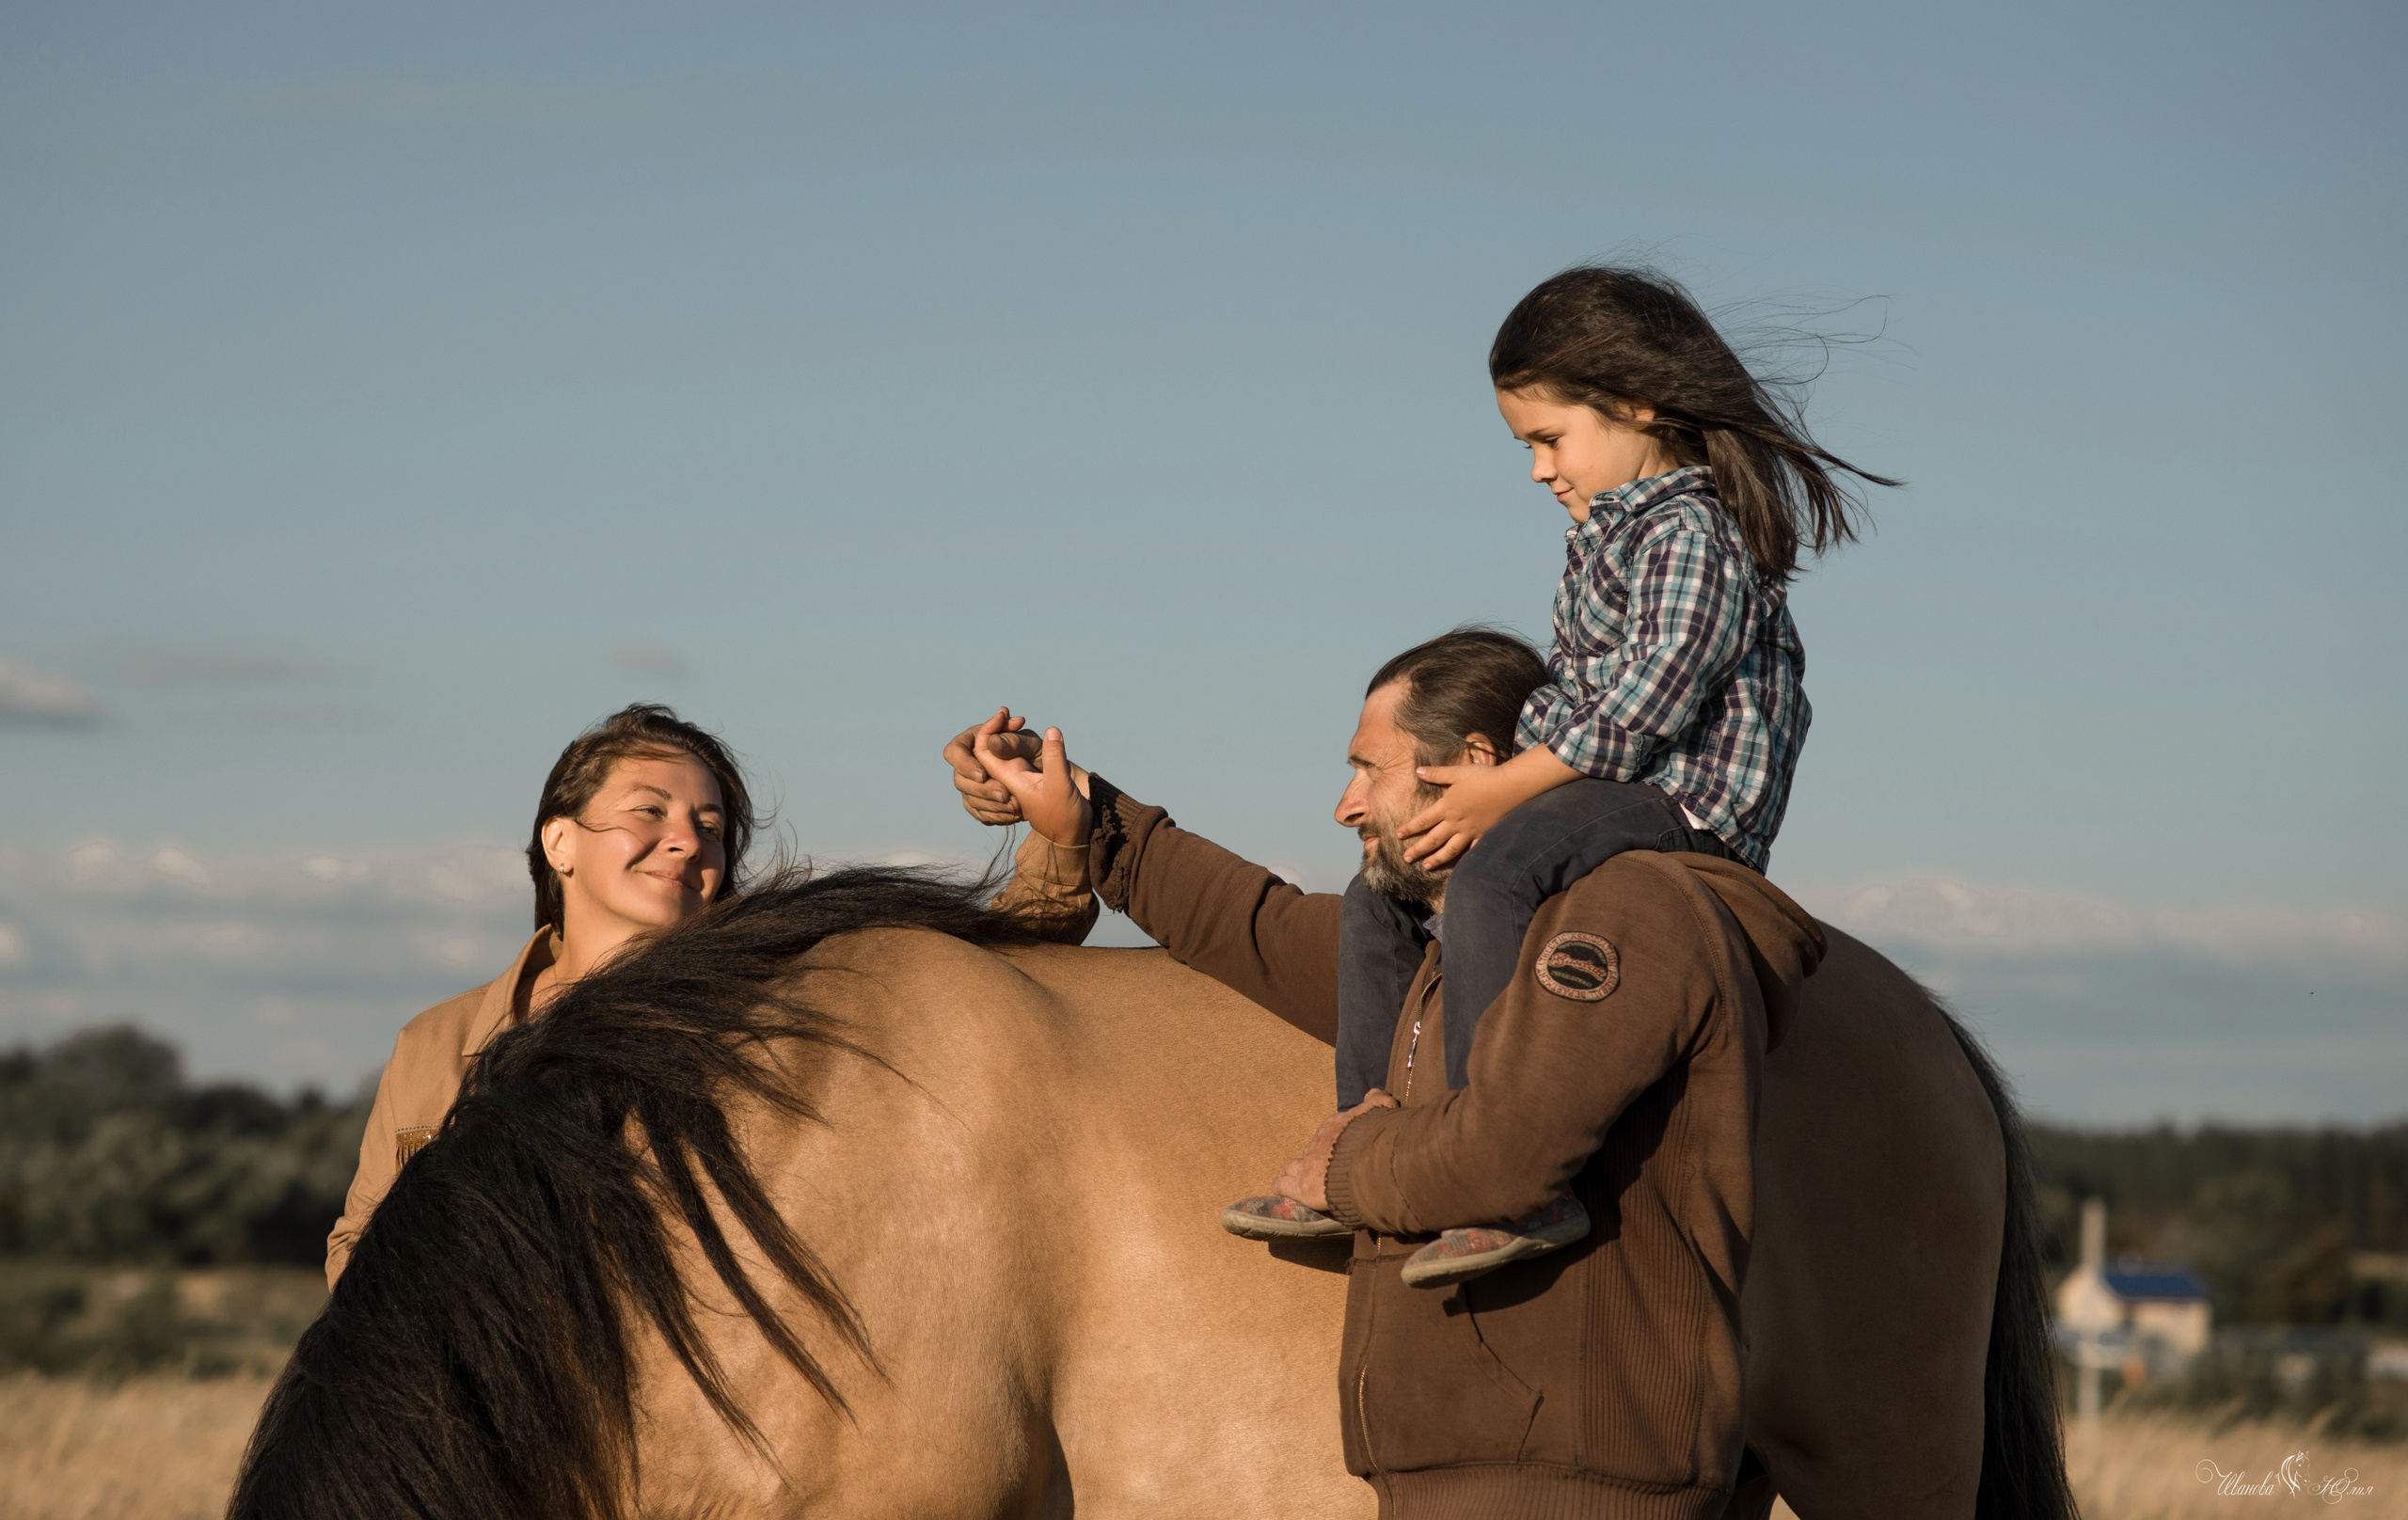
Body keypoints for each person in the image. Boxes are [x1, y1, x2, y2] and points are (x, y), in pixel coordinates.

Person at [940, 633, 1825, 1516]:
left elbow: (1508, 1157)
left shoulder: (1620, 922)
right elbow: (1249, 923)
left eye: (1371, 769)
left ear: (1474, 762)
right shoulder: (1423, 958)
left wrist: (1343, 1164)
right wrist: (1085, 818)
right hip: (1451, 1469)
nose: (1345, 806)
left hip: (1574, 1476)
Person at [1274, 265, 1897, 1282]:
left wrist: (1503, 789)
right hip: (1594, 785)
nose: (1536, 470)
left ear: (1638, 404)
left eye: (1547, 439)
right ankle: (1372, 1122)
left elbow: (1649, 698)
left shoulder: (1695, 532)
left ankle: (1502, 1158)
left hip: (1682, 799)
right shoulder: (1600, 537)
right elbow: (1570, 697)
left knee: (1494, 875)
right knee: (1376, 901)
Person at [325, 703, 1093, 1287]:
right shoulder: (437, 1042)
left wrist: (1059, 837)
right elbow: (358, 1244)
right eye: (648, 811)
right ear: (560, 842)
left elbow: (982, 990)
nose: (689, 840)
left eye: (711, 826)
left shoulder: (777, 1012)